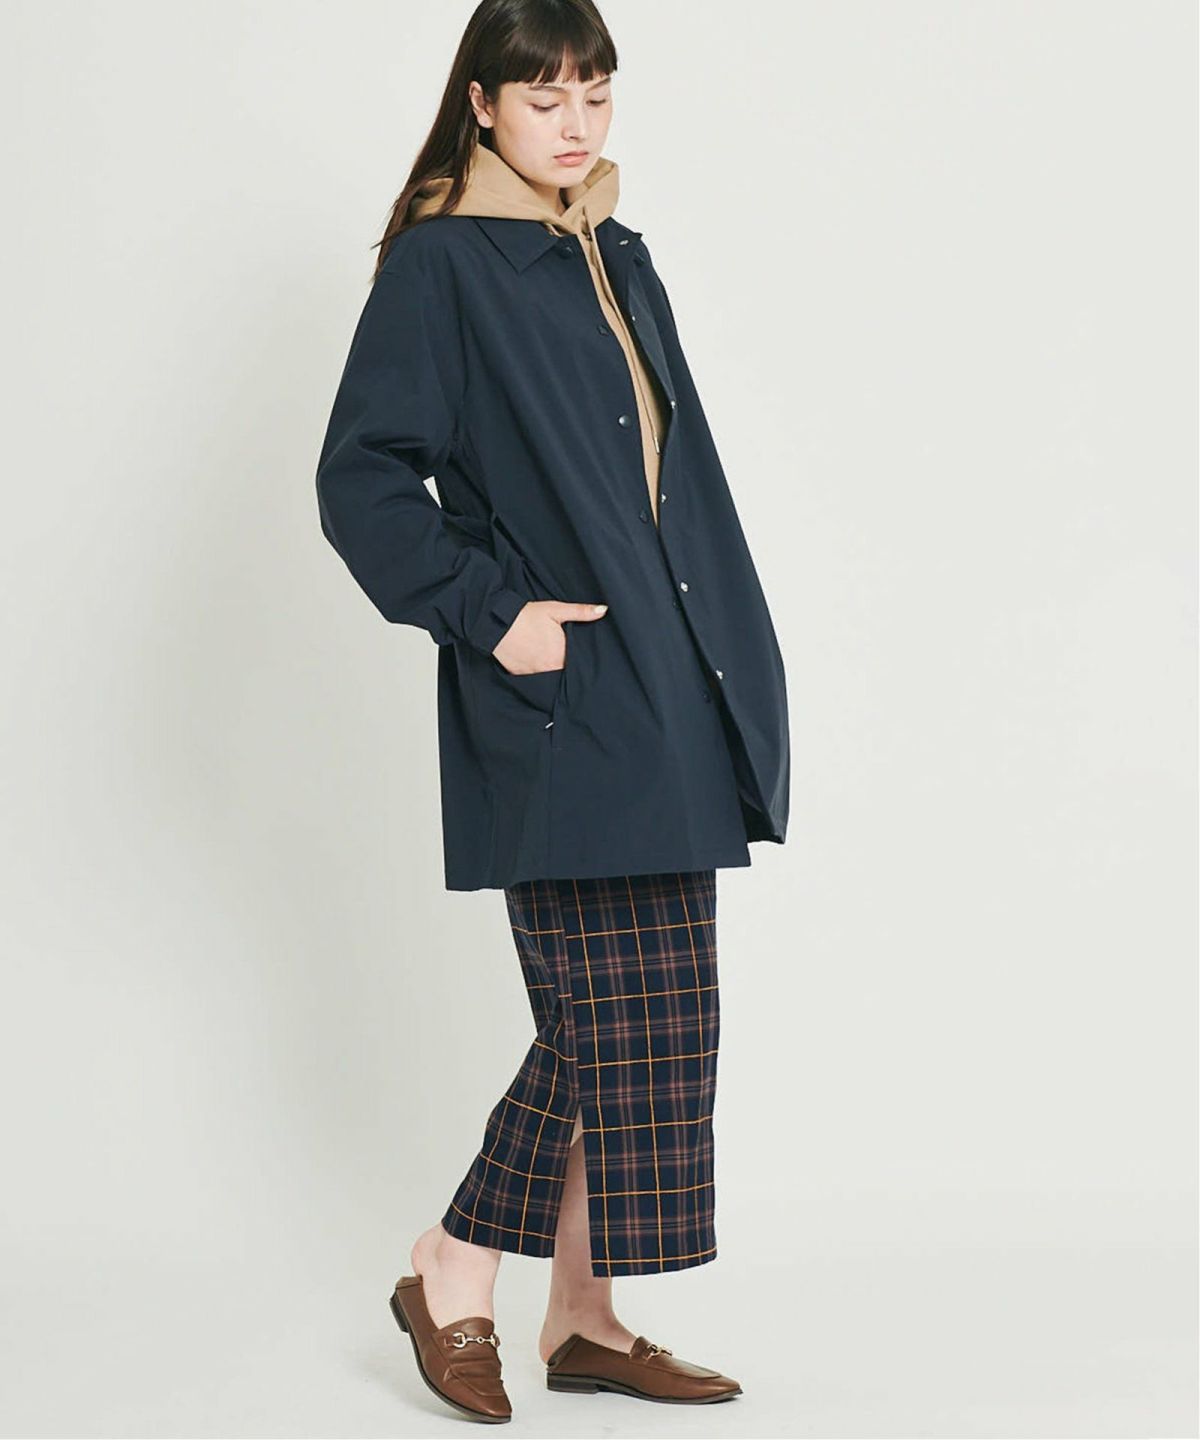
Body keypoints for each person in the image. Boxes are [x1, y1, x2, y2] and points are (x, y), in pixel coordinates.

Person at [315, 0, 789, 1422]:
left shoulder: (613, 252)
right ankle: (452, 1265)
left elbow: (668, 480)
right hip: (562, 693)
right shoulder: (444, 264)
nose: (576, 124)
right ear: (482, 105)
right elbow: (363, 478)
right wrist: (490, 611)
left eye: (596, 93)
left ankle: (583, 1318)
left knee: (660, 1017)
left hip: (670, 679)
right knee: (607, 1018)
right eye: (545, 98)